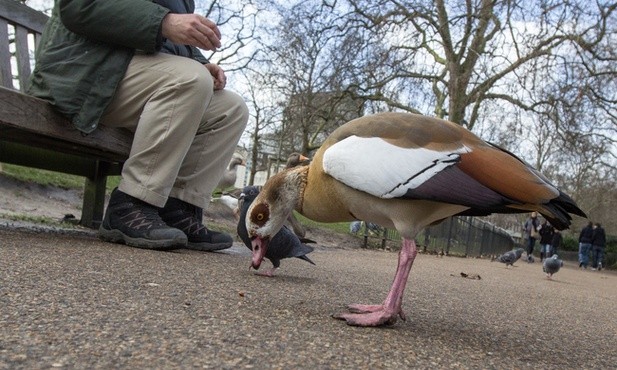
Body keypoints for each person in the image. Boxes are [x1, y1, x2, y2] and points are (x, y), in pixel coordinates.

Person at [27, 1, 249, 251]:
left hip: (140, 81)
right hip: (84, 72)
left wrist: (199, 61)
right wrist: (164, 22)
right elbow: (79, 7)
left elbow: (168, 42)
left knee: (231, 108)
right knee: (190, 79)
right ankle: (131, 204)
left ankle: (177, 208)